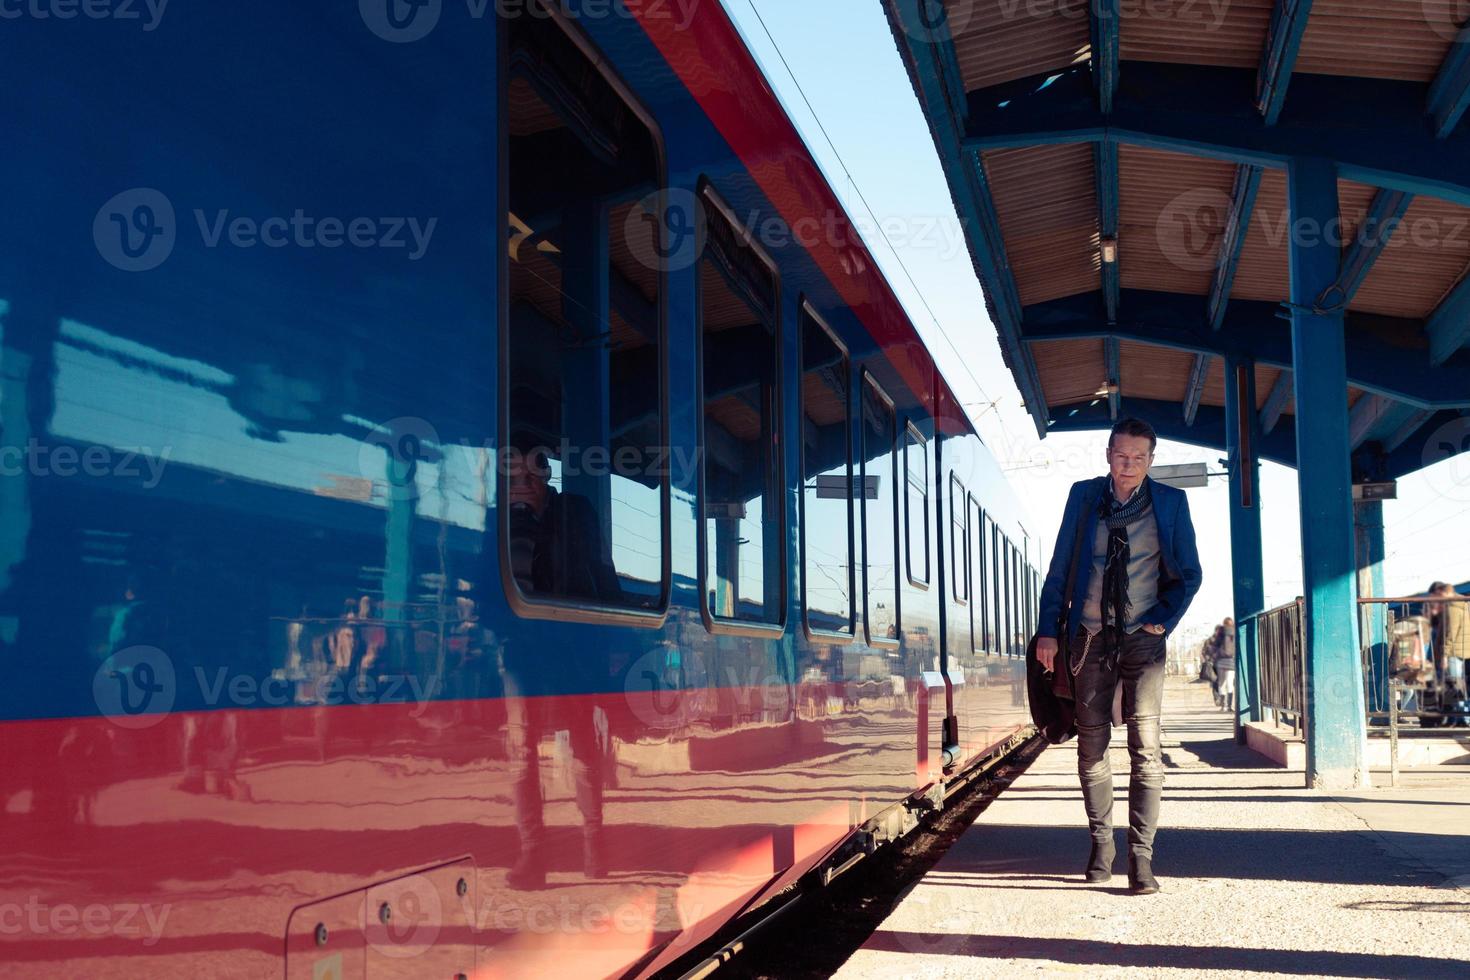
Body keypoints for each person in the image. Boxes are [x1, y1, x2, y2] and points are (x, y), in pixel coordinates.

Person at [1036, 418, 1202, 895]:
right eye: (1121, 455)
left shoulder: (1171, 503)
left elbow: (1189, 574)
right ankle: (1101, 845)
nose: (1129, 465)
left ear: (1151, 459)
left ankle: (1142, 857)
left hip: (1142, 639)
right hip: (1088, 637)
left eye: (1139, 458)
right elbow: (1059, 568)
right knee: (1092, 746)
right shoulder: (1083, 497)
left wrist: (1163, 620)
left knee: (1146, 749)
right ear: (1108, 454)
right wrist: (1049, 630)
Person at [499, 445, 622, 889]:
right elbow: (482, 584)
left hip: (572, 649)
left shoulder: (575, 511)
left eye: (533, 473)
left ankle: (595, 847)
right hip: (520, 655)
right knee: (521, 754)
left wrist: (613, 641)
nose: (525, 483)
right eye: (516, 475)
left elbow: (600, 570)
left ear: (547, 474)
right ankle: (533, 857)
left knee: (582, 749)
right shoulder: (498, 521)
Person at [1214, 619, 1237, 713]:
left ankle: (1223, 706)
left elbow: (1214, 646)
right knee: (1230, 684)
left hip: (1220, 661)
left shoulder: (1219, 633)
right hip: (1231, 661)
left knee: (1221, 684)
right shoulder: (1235, 633)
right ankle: (1229, 706)